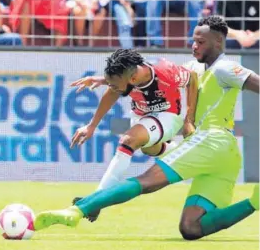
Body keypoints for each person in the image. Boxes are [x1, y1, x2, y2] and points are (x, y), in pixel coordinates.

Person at [34, 16, 259, 240]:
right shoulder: (194, 68)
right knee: (191, 228)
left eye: (201, 42)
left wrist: (189, 119)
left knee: (146, 181)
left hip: (211, 139)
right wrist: (103, 80)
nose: (194, 46)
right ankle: (255, 202)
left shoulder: (226, 68)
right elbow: (153, 74)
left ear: (219, 42)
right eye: (193, 40)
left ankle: (78, 210)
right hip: (225, 154)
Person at [73, 48, 197, 221]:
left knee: (129, 140)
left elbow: (192, 78)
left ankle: (95, 202)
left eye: (114, 84)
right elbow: (115, 89)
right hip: (141, 114)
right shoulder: (129, 76)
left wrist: (188, 119)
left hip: (168, 115)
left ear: (132, 79)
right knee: (149, 149)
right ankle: (185, 154)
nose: (112, 87)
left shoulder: (166, 71)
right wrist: (91, 125)